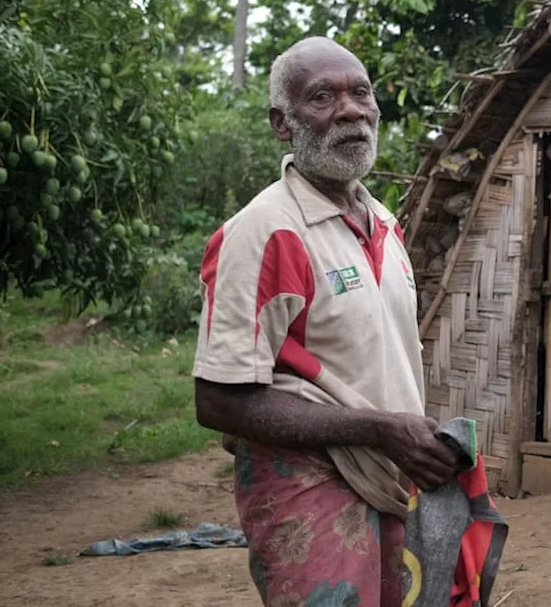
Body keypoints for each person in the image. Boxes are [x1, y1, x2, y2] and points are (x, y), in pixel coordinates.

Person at [192, 36, 459, 606]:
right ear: (281, 124)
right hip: (303, 480)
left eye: (360, 92)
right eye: (322, 97)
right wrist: (379, 428)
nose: (349, 110)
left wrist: (400, 433)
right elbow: (216, 399)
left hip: (389, 477)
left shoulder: (384, 221)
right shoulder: (265, 232)